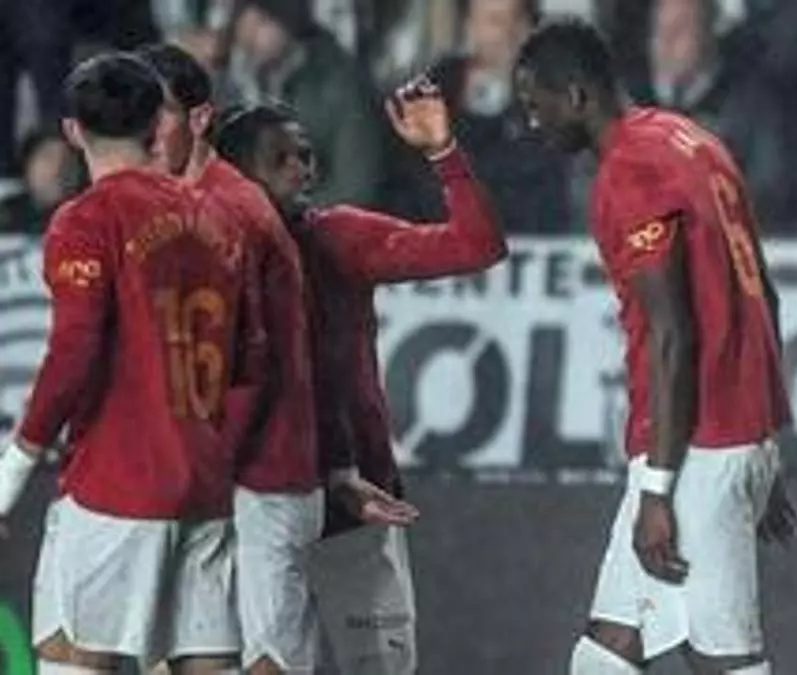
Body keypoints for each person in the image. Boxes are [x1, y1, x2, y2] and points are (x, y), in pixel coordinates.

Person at [513, 18, 797, 675]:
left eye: (536, 105)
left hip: (698, 449)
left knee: (723, 660)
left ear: (576, 95)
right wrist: (765, 447)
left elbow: (674, 335)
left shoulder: (631, 172)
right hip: (728, 436)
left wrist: (659, 491)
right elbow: (763, 293)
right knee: (605, 655)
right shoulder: (691, 139)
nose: (532, 123)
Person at [133, 43, 415, 675]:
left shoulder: (246, 219)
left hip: (248, 477)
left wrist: (333, 462)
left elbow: (293, 361)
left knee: (258, 656)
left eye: (154, 113)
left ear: (197, 120)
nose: (141, 133)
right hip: (184, 474)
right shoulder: (147, 212)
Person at [212, 80, 508, 674]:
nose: (301, 169)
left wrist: (444, 153)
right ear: (236, 177)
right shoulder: (207, 256)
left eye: (306, 155)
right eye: (280, 159)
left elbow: (477, 245)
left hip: (360, 503)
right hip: (255, 499)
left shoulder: (339, 237)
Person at [0, 52, 263, 674]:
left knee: (74, 658)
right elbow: (251, 355)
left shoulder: (86, 220)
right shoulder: (218, 218)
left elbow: (74, 351)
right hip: (204, 488)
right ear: (155, 126)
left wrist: (12, 471)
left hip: (114, 487)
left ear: (72, 131)